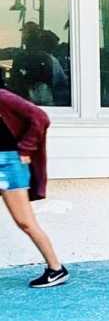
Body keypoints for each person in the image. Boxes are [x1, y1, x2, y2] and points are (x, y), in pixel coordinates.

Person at [0, 79, 69, 288]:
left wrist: (26, 149)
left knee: (25, 222)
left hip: (9, 164)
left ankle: (56, 269)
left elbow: (40, 117)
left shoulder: (2, 96)